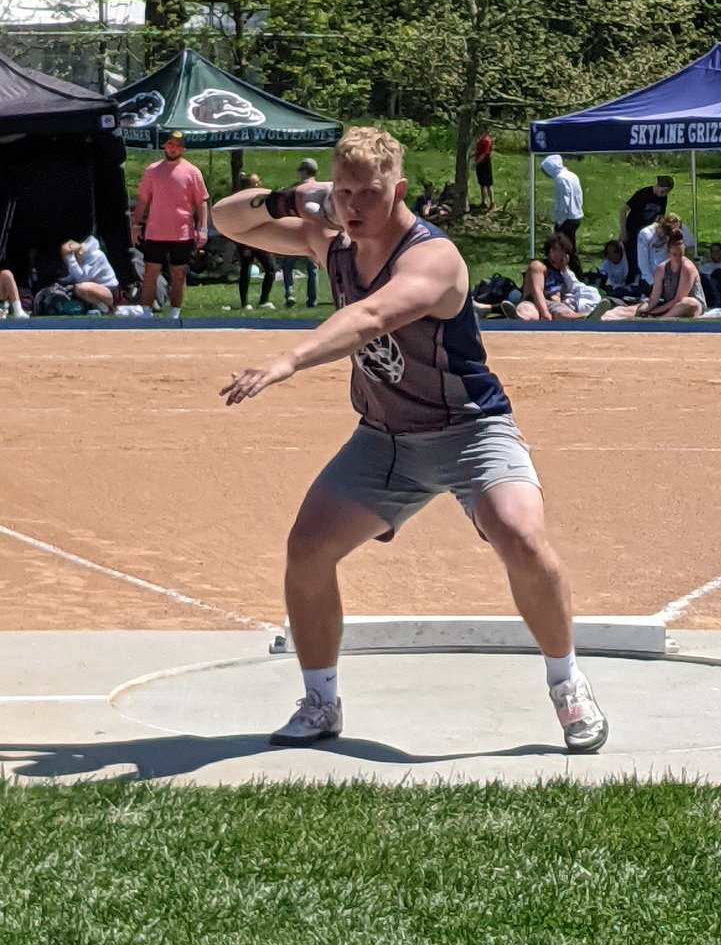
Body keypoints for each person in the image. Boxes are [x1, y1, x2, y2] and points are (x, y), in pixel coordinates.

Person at [213, 126, 608, 754]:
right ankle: (320, 701)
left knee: (523, 538)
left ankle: (568, 683)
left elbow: (370, 316)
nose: (353, 207)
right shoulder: (334, 238)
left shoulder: (435, 258)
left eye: (367, 193)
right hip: (384, 440)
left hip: (471, 431)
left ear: (398, 190)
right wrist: (293, 198)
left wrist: (289, 358)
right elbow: (227, 220)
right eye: (343, 193)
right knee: (308, 550)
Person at [131, 131, 209, 319]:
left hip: (182, 232)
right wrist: (135, 225)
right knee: (151, 271)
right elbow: (142, 199)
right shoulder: (152, 170)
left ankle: (175, 311)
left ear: (183, 149)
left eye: (177, 145)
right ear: (165, 146)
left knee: (179, 273)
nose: (172, 148)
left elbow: (201, 202)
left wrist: (203, 228)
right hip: (155, 231)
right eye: (169, 144)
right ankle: (145, 310)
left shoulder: (192, 172)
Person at [601, 231, 705, 320]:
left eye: (680, 254)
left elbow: (679, 299)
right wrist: (644, 309)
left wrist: (654, 313)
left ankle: (661, 319)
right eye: (674, 254)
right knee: (637, 307)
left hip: (687, 305)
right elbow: (654, 299)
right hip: (668, 304)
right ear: (668, 252)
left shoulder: (687, 268)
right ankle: (606, 315)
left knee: (689, 303)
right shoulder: (662, 268)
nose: (678, 258)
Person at [500, 232, 601, 321]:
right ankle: (518, 317)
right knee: (528, 312)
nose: (556, 254)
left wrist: (564, 268)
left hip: (555, 305)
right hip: (535, 301)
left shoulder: (564, 272)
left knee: (565, 313)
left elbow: (576, 286)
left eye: (561, 250)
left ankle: (587, 318)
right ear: (548, 251)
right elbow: (537, 291)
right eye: (554, 250)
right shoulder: (538, 266)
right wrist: (544, 312)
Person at [276, 158, 327, 309]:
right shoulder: (322, 188)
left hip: (294, 230)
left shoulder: (294, 189)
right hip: (313, 232)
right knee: (312, 268)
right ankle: (312, 299)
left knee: (288, 265)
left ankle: (290, 293)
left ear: (304, 171)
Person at [232, 174, 276, 311]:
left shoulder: (262, 198)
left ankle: (264, 300)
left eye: (258, 182)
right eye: (255, 183)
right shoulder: (241, 200)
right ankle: (245, 303)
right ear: (248, 185)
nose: (258, 185)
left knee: (271, 268)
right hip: (246, 239)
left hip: (260, 238)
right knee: (245, 269)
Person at [620, 175, 673, 281]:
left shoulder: (663, 198)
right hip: (633, 231)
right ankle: (631, 283)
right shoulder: (643, 194)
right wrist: (623, 230)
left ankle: (645, 282)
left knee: (647, 260)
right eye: (663, 191)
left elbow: (660, 217)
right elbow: (623, 210)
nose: (663, 194)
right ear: (657, 185)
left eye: (667, 192)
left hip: (649, 232)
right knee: (634, 261)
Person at [636, 212, 695, 294]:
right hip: (650, 280)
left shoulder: (670, 233)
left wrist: (680, 226)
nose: (664, 238)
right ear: (660, 225)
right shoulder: (645, 234)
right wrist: (653, 283)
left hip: (668, 279)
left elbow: (690, 242)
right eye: (663, 234)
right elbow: (642, 263)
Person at [59, 236, 119, 312]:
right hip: (96, 289)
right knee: (76, 289)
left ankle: (106, 308)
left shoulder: (96, 255)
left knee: (80, 288)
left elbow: (82, 278)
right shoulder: (83, 257)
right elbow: (74, 276)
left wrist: (70, 259)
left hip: (110, 291)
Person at [540, 155, 583, 246]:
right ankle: (573, 258)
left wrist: (560, 221)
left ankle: (567, 259)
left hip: (567, 218)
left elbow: (564, 201)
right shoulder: (572, 175)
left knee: (564, 245)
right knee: (571, 242)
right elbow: (579, 195)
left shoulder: (560, 179)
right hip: (577, 215)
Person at [474, 128, 495, 211]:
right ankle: (484, 202)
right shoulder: (480, 140)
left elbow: (485, 153)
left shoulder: (487, 141)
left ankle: (492, 203)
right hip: (479, 164)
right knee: (482, 184)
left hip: (485, 163)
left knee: (488, 184)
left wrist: (477, 161)